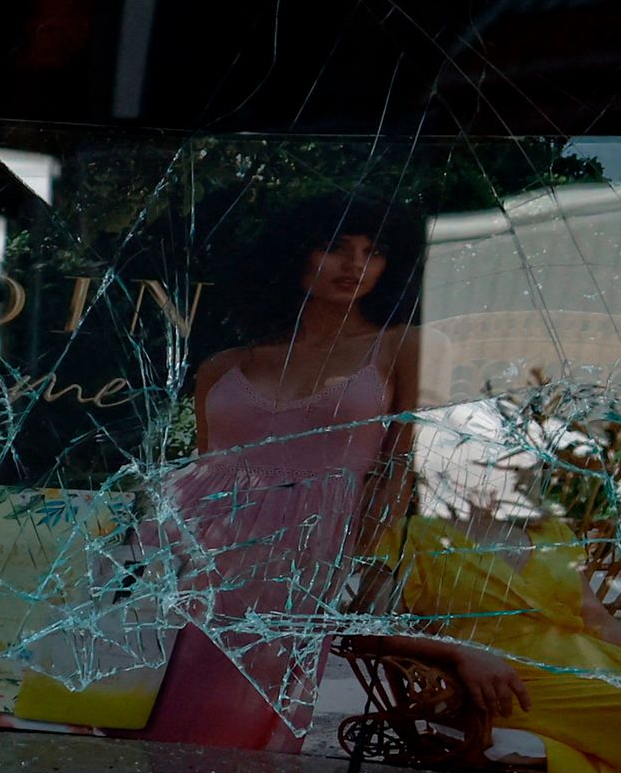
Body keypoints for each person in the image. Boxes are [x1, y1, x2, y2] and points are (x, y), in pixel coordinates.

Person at [144, 212, 525, 746]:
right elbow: (201, 475)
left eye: (372, 251)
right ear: (292, 254)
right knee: (147, 704)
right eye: (335, 246)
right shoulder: (224, 365)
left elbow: (400, 465)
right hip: (192, 560)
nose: (354, 265)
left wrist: (357, 561)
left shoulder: (404, 345)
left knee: (237, 722)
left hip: (306, 560)